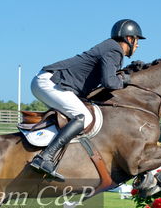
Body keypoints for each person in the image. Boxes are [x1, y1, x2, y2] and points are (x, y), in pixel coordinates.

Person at [29, 19, 146, 180]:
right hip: (50, 82)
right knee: (84, 117)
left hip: (51, 82)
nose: (138, 45)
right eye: (137, 40)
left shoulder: (111, 49)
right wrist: (127, 79)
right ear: (129, 38)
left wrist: (129, 71)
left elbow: (109, 76)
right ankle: (44, 158)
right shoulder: (114, 49)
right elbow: (109, 82)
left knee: (80, 114)